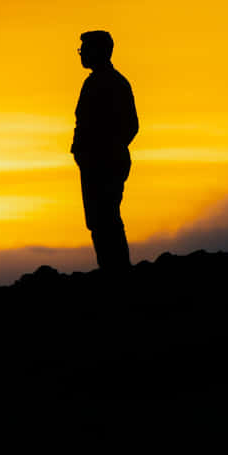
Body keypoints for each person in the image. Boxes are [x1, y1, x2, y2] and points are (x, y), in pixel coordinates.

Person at [71, 30, 138, 273]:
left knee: (105, 218)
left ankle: (116, 271)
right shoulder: (99, 82)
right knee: (100, 220)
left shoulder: (109, 83)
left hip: (104, 163)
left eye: (85, 49)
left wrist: (105, 150)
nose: (82, 55)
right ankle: (112, 269)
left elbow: (131, 125)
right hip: (95, 163)